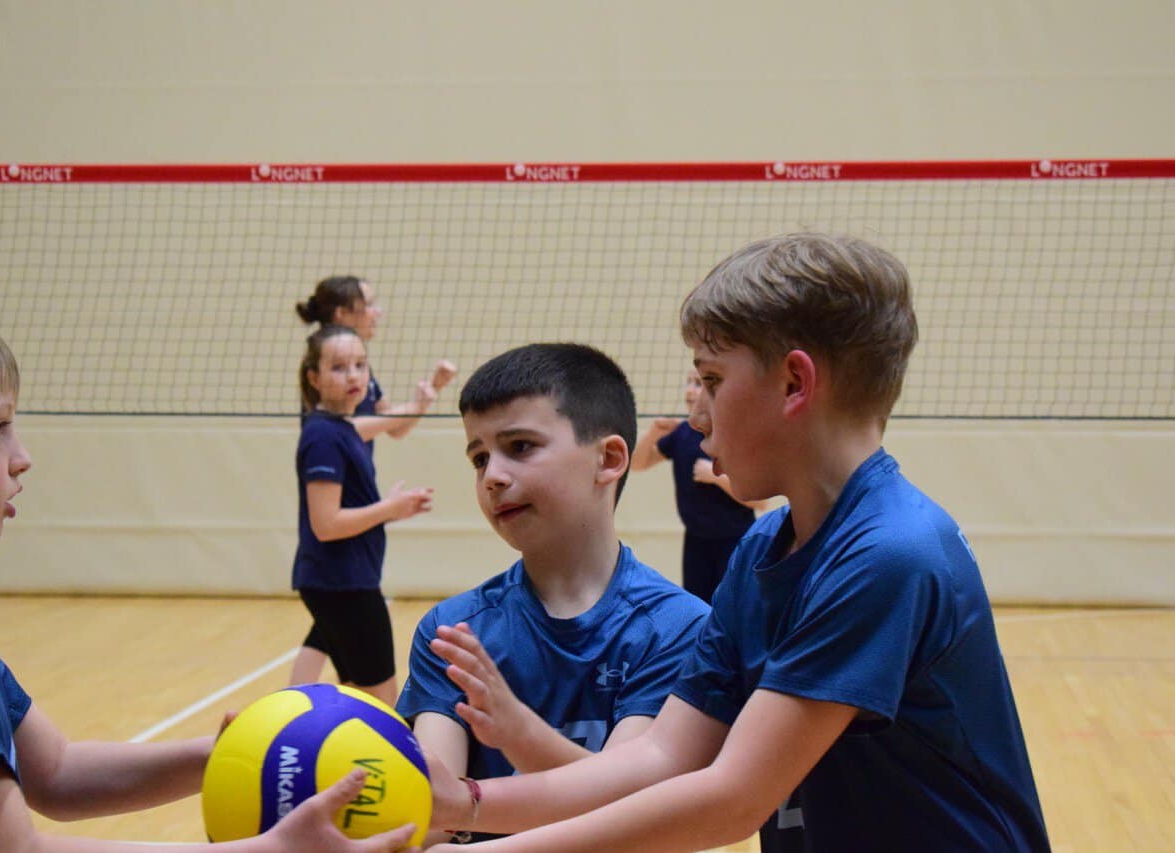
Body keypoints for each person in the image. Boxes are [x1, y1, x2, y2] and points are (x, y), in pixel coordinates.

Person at [423, 234, 1052, 852]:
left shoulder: (888, 554)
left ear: (794, 383)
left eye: (712, 380)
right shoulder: (761, 547)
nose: (697, 415)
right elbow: (663, 756)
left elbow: (732, 800)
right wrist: (465, 803)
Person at [0, 294, 417, 852]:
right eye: (0, 425)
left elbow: (58, 773)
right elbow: (9, 849)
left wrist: (254, 750)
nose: (22, 456)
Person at [395, 343, 710, 845]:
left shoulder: (677, 629)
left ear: (608, 459)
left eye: (520, 446)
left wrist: (520, 733)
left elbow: (631, 814)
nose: (493, 476)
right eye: (479, 458)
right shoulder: (452, 631)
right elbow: (434, 815)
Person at [286, 324, 433, 704]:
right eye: (338, 367)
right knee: (383, 704)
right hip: (343, 584)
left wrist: (392, 510)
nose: (353, 375)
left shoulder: (343, 429)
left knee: (357, 697)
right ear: (314, 377)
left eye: (360, 365)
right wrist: (389, 509)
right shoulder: (323, 436)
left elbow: (393, 427)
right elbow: (326, 524)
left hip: (342, 581)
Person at [632, 367, 769, 603]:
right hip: (696, 540)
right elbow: (637, 464)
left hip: (735, 539)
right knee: (698, 609)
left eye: (698, 383)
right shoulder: (681, 433)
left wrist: (716, 477)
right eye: (688, 382)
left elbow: (761, 501)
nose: (689, 390)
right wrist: (654, 432)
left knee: (732, 607)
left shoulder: (734, 433)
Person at [297, 275, 457, 450]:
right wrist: (414, 406)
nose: (378, 311)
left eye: (359, 366)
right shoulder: (321, 365)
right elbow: (340, 431)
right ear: (341, 314)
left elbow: (395, 429)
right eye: (369, 304)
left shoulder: (357, 369)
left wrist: (432, 389)